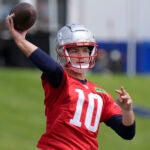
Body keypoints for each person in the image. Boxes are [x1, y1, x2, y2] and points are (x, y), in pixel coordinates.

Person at [6, 15, 136, 150]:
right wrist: (20, 40)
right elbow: (50, 66)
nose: (80, 55)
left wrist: (127, 110)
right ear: (63, 52)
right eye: (74, 50)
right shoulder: (61, 81)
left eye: (85, 50)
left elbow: (127, 133)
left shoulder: (101, 94)